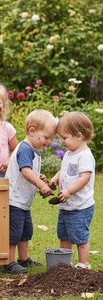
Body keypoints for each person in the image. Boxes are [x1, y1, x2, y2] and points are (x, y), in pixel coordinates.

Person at [2, 109, 57, 274]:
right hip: (14, 201)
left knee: (25, 231)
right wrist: (41, 185)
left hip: (23, 202)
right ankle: (8, 263)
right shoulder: (25, 148)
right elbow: (25, 171)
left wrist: (39, 177)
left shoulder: (32, 149)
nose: (48, 141)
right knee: (14, 232)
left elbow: (28, 170)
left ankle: (23, 258)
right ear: (32, 131)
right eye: (46, 137)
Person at [48, 112, 95, 270]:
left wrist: (68, 191)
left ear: (79, 136)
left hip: (80, 207)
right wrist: (55, 178)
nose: (62, 141)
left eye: (65, 137)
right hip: (66, 206)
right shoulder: (69, 154)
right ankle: (64, 263)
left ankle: (83, 263)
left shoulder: (85, 156)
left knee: (80, 236)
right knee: (64, 235)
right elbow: (64, 171)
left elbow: (84, 178)